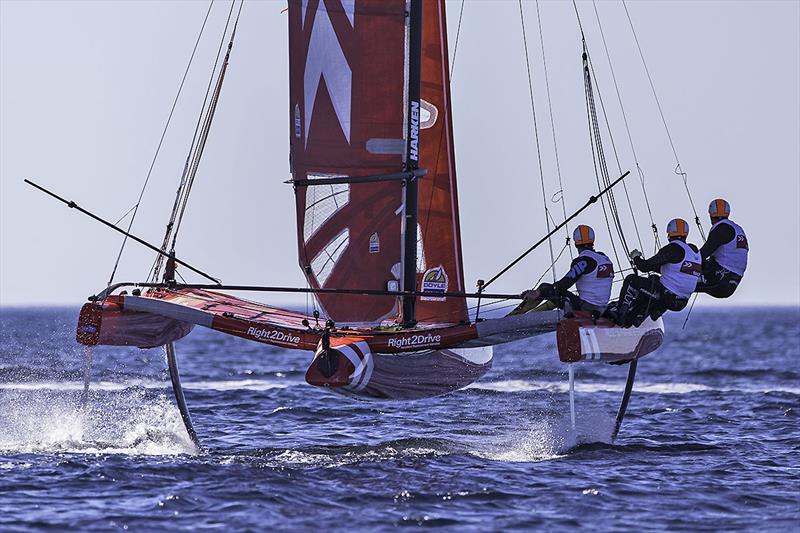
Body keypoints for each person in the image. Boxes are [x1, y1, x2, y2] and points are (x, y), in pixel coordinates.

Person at [611, 218, 701, 328]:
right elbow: (675, 270)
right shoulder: (694, 251)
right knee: (653, 280)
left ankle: (619, 313)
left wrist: (636, 257)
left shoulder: (673, 249)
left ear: (669, 234)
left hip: (667, 297)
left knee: (632, 280)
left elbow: (644, 267)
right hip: (681, 302)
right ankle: (640, 315)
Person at [513, 225, 614, 317]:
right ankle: (531, 316)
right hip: (602, 308)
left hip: (586, 308)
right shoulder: (604, 258)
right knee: (558, 296)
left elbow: (564, 284)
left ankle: (514, 317)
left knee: (546, 288)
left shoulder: (583, 261)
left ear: (575, 243)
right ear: (593, 240)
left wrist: (538, 292)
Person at [695, 198, 748, 298]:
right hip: (733, 282)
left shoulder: (722, 229)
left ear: (710, 214)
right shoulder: (737, 229)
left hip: (720, 278)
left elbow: (702, 255)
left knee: (677, 281)